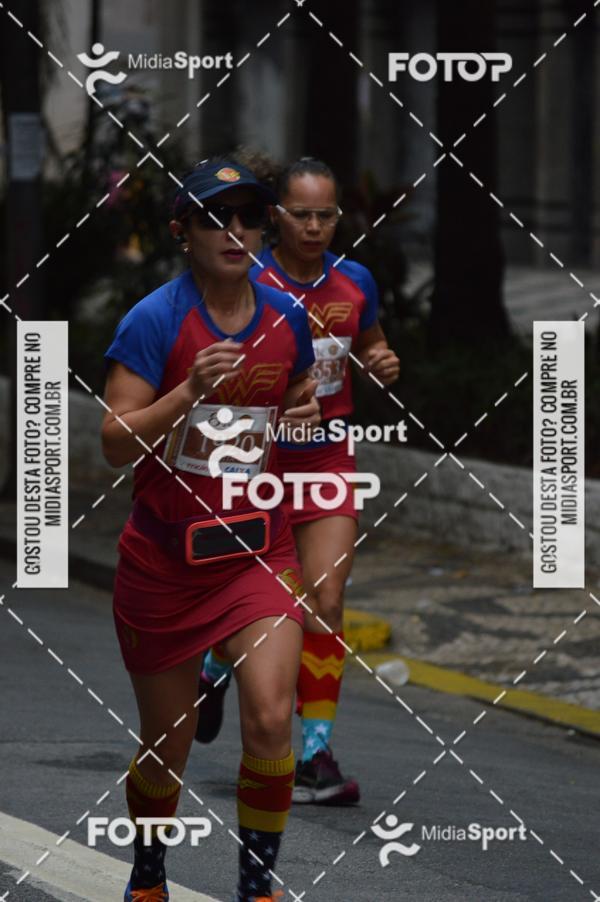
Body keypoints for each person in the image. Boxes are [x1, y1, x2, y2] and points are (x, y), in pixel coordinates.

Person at [101, 157, 320, 902]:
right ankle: (149, 873)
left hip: (257, 550)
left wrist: (301, 411)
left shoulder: (286, 315)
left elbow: (295, 397)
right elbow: (112, 439)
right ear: (181, 232)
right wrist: (186, 393)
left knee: (268, 717)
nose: (236, 232)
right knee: (170, 746)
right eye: (213, 217)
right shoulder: (155, 320)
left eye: (250, 216)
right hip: (165, 559)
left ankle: (257, 889)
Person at [196, 157, 400, 806]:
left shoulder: (355, 280)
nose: (315, 227)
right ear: (275, 216)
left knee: (327, 599)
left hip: (328, 458)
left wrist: (379, 360)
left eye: (327, 215)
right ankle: (212, 667)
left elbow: (368, 340)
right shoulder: (246, 278)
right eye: (302, 214)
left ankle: (314, 757)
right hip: (257, 464)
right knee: (264, 605)